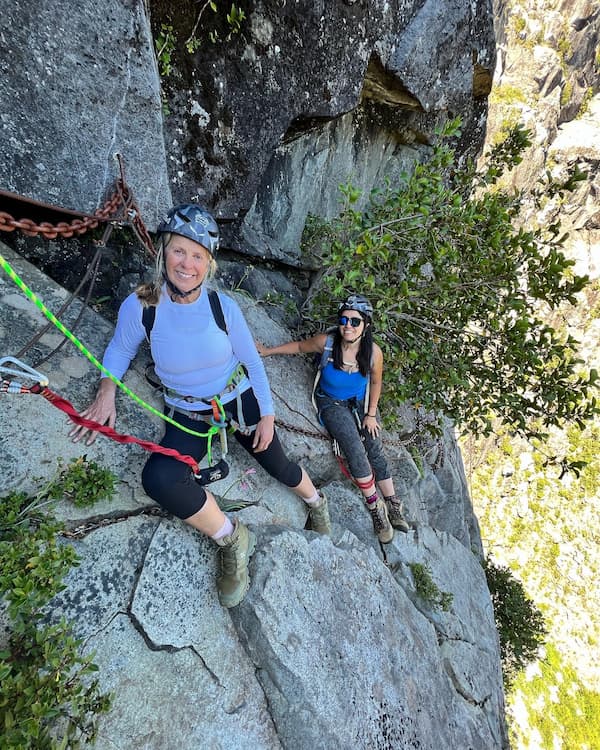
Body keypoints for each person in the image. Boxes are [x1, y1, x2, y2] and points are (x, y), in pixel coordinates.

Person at [70, 203, 330, 608]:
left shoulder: (221, 307)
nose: (186, 264)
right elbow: (121, 349)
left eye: (197, 255)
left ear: (208, 264)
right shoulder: (142, 305)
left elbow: (251, 361)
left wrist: (267, 414)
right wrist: (106, 390)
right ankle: (232, 537)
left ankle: (317, 503)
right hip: (188, 410)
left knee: (276, 462)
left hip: (234, 396)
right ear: (163, 252)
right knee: (160, 478)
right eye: (178, 250)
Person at [257, 294, 409, 544]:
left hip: (358, 402)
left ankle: (392, 503)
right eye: (344, 319)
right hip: (330, 402)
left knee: (373, 445)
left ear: (366, 325)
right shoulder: (327, 343)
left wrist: (371, 415)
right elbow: (298, 347)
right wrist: (268, 351)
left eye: (355, 321)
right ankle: (375, 508)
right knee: (354, 448)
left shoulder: (373, 353)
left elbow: (377, 381)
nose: (348, 325)